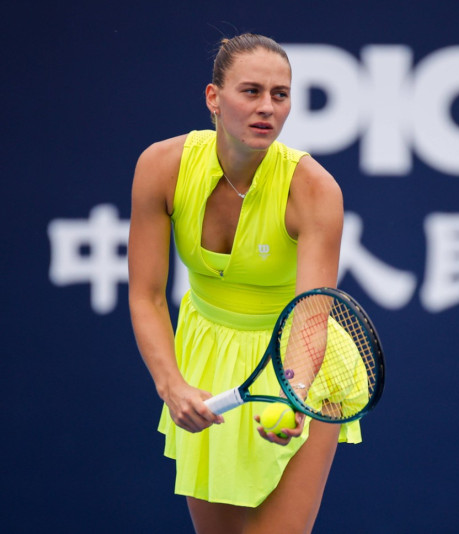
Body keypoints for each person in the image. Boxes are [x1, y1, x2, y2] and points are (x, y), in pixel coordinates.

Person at [128, 33, 360, 534]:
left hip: (299, 362)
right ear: (214, 97)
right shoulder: (161, 167)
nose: (267, 107)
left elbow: (311, 312)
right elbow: (145, 294)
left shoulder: (315, 190)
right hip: (205, 354)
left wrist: (293, 394)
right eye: (251, 91)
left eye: (280, 95)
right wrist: (171, 385)